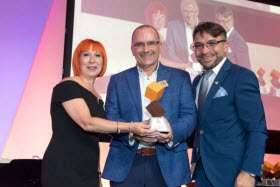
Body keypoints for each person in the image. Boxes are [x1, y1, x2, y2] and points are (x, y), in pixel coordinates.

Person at [41, 39, 154, 187]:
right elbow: (87, 123)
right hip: (64, 166)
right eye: (86, 54)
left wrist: (98, 174)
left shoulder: (98, 98)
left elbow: (93, 139)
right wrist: (132, 126)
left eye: (98, 55)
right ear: (78, 60)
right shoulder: (67, 86)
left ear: (103, 61)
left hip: (88, 170)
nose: (92, 60)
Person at [102, 25, 197, 187]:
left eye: (151, 43)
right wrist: (131, 132)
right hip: (126, 163)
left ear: (160, 46)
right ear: (132, 49)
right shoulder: (118, 80)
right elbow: (111, 117)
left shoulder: (180, 78)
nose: (145, 49)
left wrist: (171, 134)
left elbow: (189, 116)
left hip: (168, 164)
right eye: (139, 44)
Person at [191, 22, 267, 187]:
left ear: (225, 46)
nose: (205, 50)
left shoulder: (242, 77)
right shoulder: (197, 81)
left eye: (212, 43)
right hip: (203, 174)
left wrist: (249, 171)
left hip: (233, 175)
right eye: (199, 45)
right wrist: (194, 160)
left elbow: (257, 129)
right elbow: (201, 127)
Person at [164, 0, 201, 74]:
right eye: (186, 11)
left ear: (197, 11)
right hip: (179, 68)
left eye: (192, 11)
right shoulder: (172, 26)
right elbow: (170, 53)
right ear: (181, 11)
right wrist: (184, 66)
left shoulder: (206, 28)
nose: (189, 15)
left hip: (201, 70)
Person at [215, 5, 251, 69]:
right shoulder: (215, 37)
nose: (220, 24)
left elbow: (245, 71)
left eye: (224, 21)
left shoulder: (239, 42)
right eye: (218, 21)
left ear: (232, 21)